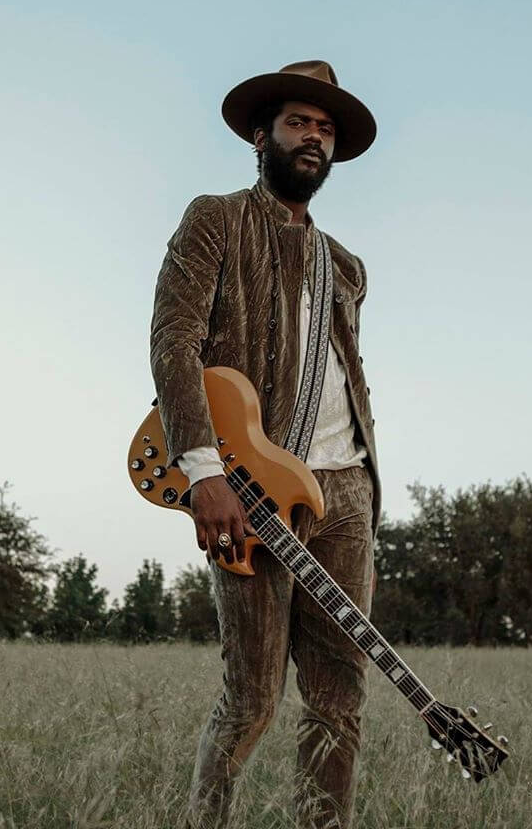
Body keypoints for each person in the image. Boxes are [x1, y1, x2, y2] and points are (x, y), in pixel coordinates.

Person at [149, 60, 381, 829]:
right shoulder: (215, 218)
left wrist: (368, 486)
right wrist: (204, 470)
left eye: (324, 130)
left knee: (338, 702)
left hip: (345, 489)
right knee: (251, 699)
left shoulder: (345, 264)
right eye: (297, 123)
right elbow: (173, 344)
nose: (312, 138)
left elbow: (347, 374)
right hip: (248, 486)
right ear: (262, 135)